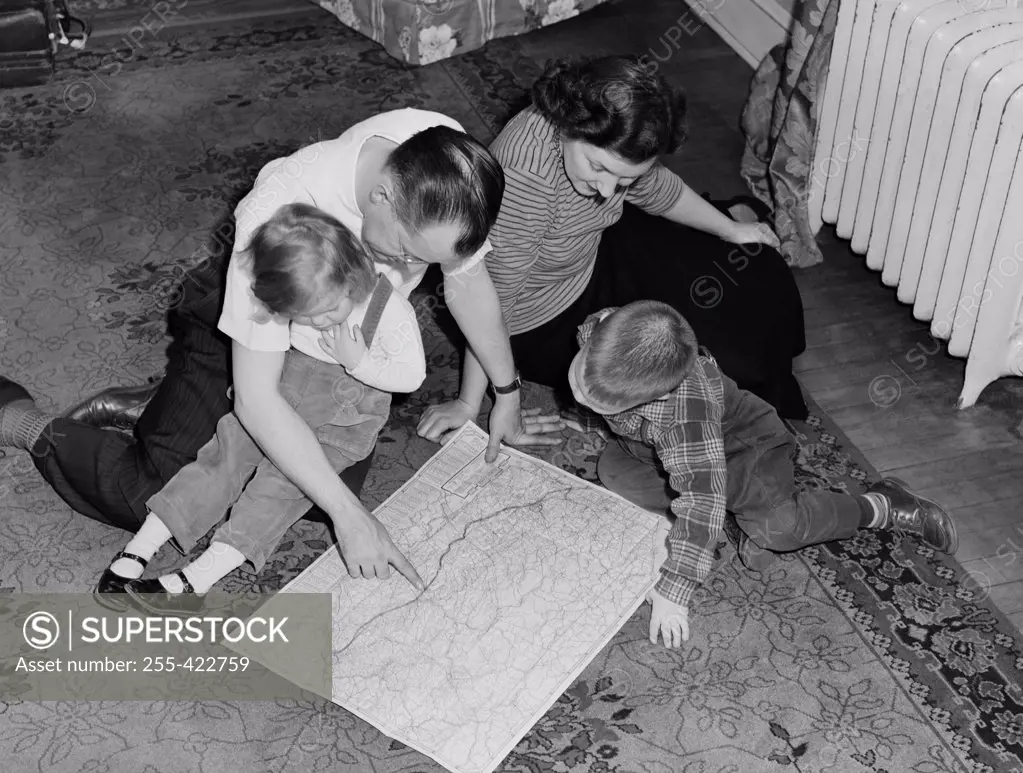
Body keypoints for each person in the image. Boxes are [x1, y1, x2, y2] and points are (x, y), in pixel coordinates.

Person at [0, 109, 561, 559]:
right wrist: (351, 516)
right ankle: (24, 421)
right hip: (251, 320)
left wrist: (503, 393)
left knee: (297, 490)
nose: (415, 267)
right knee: (154, 500)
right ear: (383, 195)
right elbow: (259, 397)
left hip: (331, 345)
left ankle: (167, 404)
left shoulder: (447, 162)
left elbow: (467, 283)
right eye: (410, 252)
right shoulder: (277, 210)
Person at [418, 55, 808, 452]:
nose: (608, 190)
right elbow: (490, 301)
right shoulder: (526, 180)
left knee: (754, 274)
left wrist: (731, 230)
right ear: (567, 127)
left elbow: (657, 190)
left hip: (594, 246)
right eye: (598, 168)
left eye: (625, 178)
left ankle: (731, 213)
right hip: (536, 315)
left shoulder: (612, 144)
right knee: (710, 368)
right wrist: (486, 400)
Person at [567, 301, 958, 649]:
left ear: (658, 396)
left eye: (595, 397)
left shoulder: (686, 415)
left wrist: (675, 591)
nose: (580, 393)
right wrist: (595, 415)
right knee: (613, 473)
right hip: (658, 452)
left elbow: (702, 502)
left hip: (744, 450)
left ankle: (883, 504)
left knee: (782, 528)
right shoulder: (603, 329)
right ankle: (738, 520)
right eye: (581, 375)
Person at [95, 203, 425, 613]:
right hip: (283, 395)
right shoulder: (298, 288)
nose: (319, 323)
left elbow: (413, 377)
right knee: (219, 458)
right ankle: (141, 546)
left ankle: (195, 581)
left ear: (351, 276)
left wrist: (360, 361)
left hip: (338, 425)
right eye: (305, 316)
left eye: (325, 312)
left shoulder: (389, 310)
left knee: (275, 493)